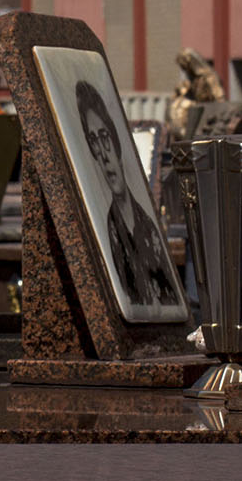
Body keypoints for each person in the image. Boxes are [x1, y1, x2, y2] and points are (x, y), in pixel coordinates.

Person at [75, 78, 176, 310]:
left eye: (104, 137)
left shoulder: (146, 224)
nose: (104, 154)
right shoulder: (108, 232)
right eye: (93, 142)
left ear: (116, 139)